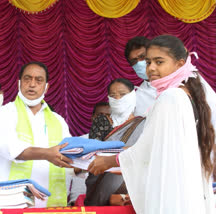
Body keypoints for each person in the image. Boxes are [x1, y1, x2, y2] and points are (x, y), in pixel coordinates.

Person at [88, 35, 215, 213]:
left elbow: (149, 148)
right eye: (148, 62)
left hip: (172, 190)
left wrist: (110, 161)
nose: (151, 68)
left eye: (159, 61)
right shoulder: (187, 93)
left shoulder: (170, 96)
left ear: (179, 64)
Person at [0, 61, 73, 208]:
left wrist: (83, 162)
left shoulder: (58, 120)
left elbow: (68, 155)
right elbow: (10, 148)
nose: (32, 84)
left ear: (46, 87)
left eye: (39, 80)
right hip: (10, 202)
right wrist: (48, 153)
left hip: (49, 204)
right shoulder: (5, 113)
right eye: (27, 79)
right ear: (19, 83)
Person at [85, 78, 145, 206]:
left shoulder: (144, 123)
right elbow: (93, 153)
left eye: (122, 95)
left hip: (134, 190)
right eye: (113, 96)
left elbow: (146, 154)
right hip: (101, 188)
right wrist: (127, 152)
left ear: (132, 95)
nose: (117, 99)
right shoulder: (102, 121)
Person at [125, 36, 157, 117]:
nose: (139, 63)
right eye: (134, 61)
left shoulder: (179, 83)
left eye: (142, 57)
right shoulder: (137, 96)